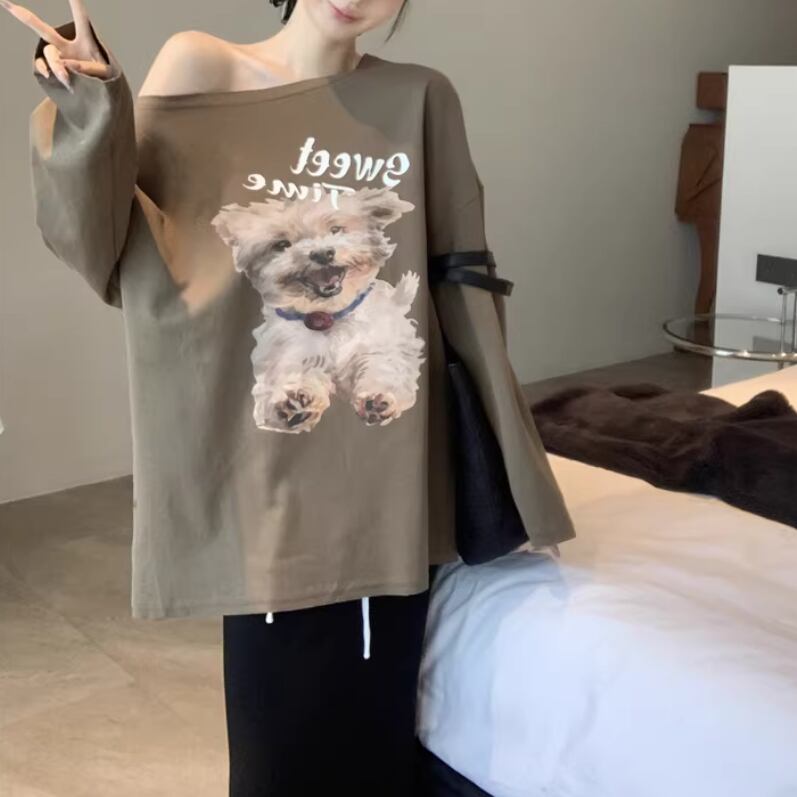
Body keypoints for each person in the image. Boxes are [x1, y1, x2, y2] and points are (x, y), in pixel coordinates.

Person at [7, 0, 576, 793]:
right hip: (266, 458)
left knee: (378, 740)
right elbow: (108, 244)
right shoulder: (202, 63)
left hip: (387, 464)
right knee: (278, 750)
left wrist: (511, 457)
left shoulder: (420, 95)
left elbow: (460, 275)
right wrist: (90, 106)